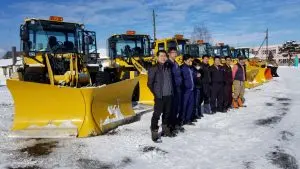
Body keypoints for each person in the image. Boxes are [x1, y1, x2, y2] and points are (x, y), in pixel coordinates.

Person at [148, 50, 174, 142]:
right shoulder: (153, 68)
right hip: (160, 97)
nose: (163, 57)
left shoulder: (168, 67)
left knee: (167, 114)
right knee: (157, 114)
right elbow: (149, 84)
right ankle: (154, 132)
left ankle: (165, 130)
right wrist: (156, 93)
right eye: (161, 56)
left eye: (164, 56)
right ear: (157, 57)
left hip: (169, 95)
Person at [166, 47, 184, 133]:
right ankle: (170, 126)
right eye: (173, 52)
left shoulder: (176, 63)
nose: (175, 54)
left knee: (177, 107)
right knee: (171, 108)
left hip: (178, 88)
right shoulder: (168, 64)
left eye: (176, 52)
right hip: (172, 89)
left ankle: (175, 123)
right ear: (169, 54)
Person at [181, 54, 195, 125]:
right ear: (185, 61)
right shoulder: (182, 68)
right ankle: (182, 120)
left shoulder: (191, 68)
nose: (190, 62)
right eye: (189, 60)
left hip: (192, 89)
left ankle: (188, 119)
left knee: (191, 105)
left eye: (191, 60)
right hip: (185, 90)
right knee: (184, 105)